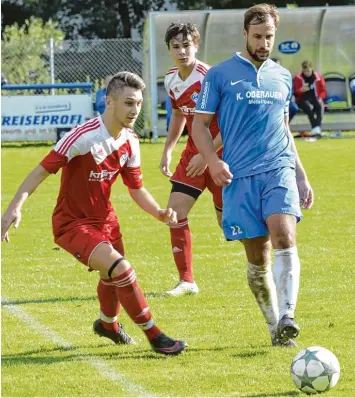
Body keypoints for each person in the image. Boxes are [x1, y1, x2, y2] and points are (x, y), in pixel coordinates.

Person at [1, 71, 186, 356]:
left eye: (138, 103)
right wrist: (14, 207)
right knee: (121, 269)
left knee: (111, 275)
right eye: (127, 103)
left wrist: (158, 212)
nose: (134, 110)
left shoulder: (131, 141)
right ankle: (155, 335)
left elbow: (136, 188)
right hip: (72, 223)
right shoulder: (83, 136)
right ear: (108, 102)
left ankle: (108, 325)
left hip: (106, 221)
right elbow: (40, 170)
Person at [192, 4, 313, 347]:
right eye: (257, 36)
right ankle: (275, 326)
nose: (263, 43)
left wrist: (301, 175)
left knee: (284, 236)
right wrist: (213, 161)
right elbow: (198, 126)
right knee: (258, 257)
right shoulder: (219, 75)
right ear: (245, 33)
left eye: (269, 37)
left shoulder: (282, 76)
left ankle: (289, 315)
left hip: (278, 168)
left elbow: (284, 128)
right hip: (239, 177)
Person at [160, 22, 223, 296]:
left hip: (222, 154)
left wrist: (206, 157)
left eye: (187, 45)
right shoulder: (171, 79)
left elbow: (231, 123)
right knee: (174, 214)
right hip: (192, 154)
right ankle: (187, 281)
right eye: (176, 46)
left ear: (196, 45)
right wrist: (168, 149)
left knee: (230, 224)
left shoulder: (209, 76)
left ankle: (264, 265)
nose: (182, 51)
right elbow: (178, 115)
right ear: (170, 50)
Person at [293, 60, 327, 135]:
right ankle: (316, 128)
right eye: (305, 71)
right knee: (308, 107)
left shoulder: (318, 77)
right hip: (302, 99)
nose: (307, 73)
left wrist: (320, 97)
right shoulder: (298, 78)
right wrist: (301, 90)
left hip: (315, 97)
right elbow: (295, 92)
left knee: (320, 105)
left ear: (311, 69)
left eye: (308, 71)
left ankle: (316, 127)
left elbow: (323, 90)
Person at [271, 57, 299, 122]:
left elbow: (290, 90)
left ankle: (285, 124)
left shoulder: (285, 76)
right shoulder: (266, 75)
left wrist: (286, 98)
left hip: (284, 99)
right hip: (271, 99)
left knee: (293, 108)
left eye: (278, 65)